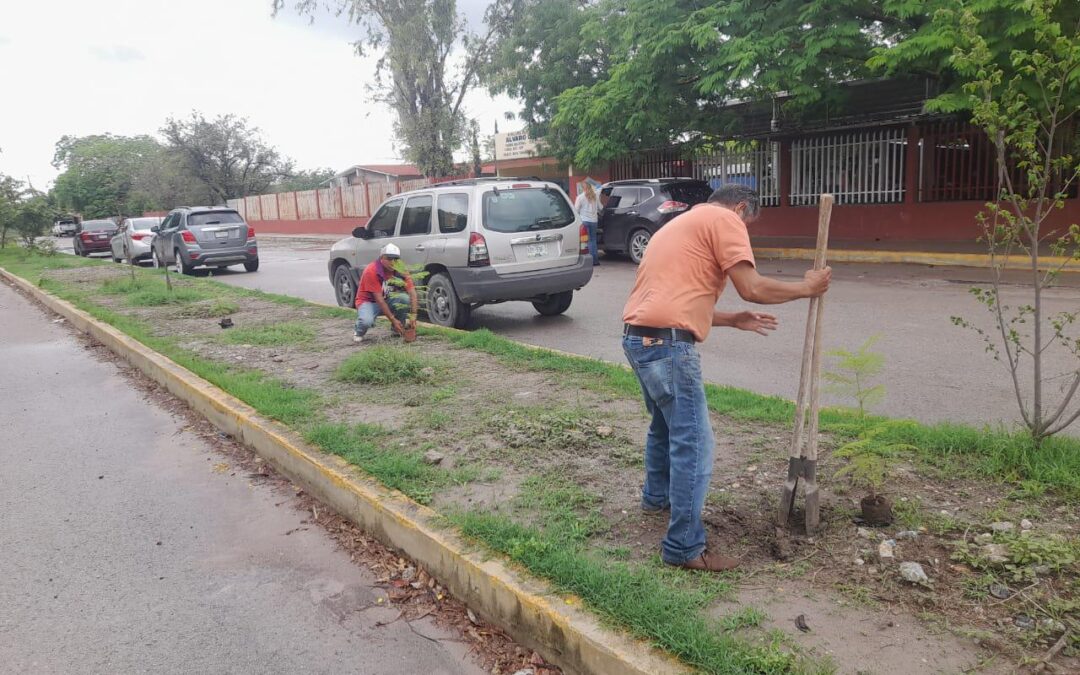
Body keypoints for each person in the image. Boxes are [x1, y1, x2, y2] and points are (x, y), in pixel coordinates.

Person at [621, 183, 831, 572]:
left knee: (664, 428)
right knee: (694, 443)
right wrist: (807, 287)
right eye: (747, 224)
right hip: (667, 346)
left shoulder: (679, 224)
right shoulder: (725, 219)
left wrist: (732, 319)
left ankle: (656, 498)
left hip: (638, 339)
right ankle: (683, 547)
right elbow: (751, 287)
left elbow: (675, 300)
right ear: (741, 208)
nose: (744, 231)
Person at [353, 243, 419, 344]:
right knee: (366, 321)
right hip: (369, 302)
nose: (392, 262)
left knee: (404, 299)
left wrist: (413, 316)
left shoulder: (401, 269)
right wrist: (393, 319)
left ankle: (397, 329)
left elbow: (412, 292)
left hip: (387, 299)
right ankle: (359, 331)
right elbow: (379, 300)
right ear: (381, 258)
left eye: (396, 259)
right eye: (389, 259)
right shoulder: (371, 270)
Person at [573, 182, 602, 266]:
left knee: (587, 241)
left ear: (582, 188)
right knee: (593, 240)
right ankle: (595, 260)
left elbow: (576, 210)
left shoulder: (580, 197)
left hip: (584, 221)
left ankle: (590, 261)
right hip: (594, 221)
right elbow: (601, 207)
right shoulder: (595, 196)